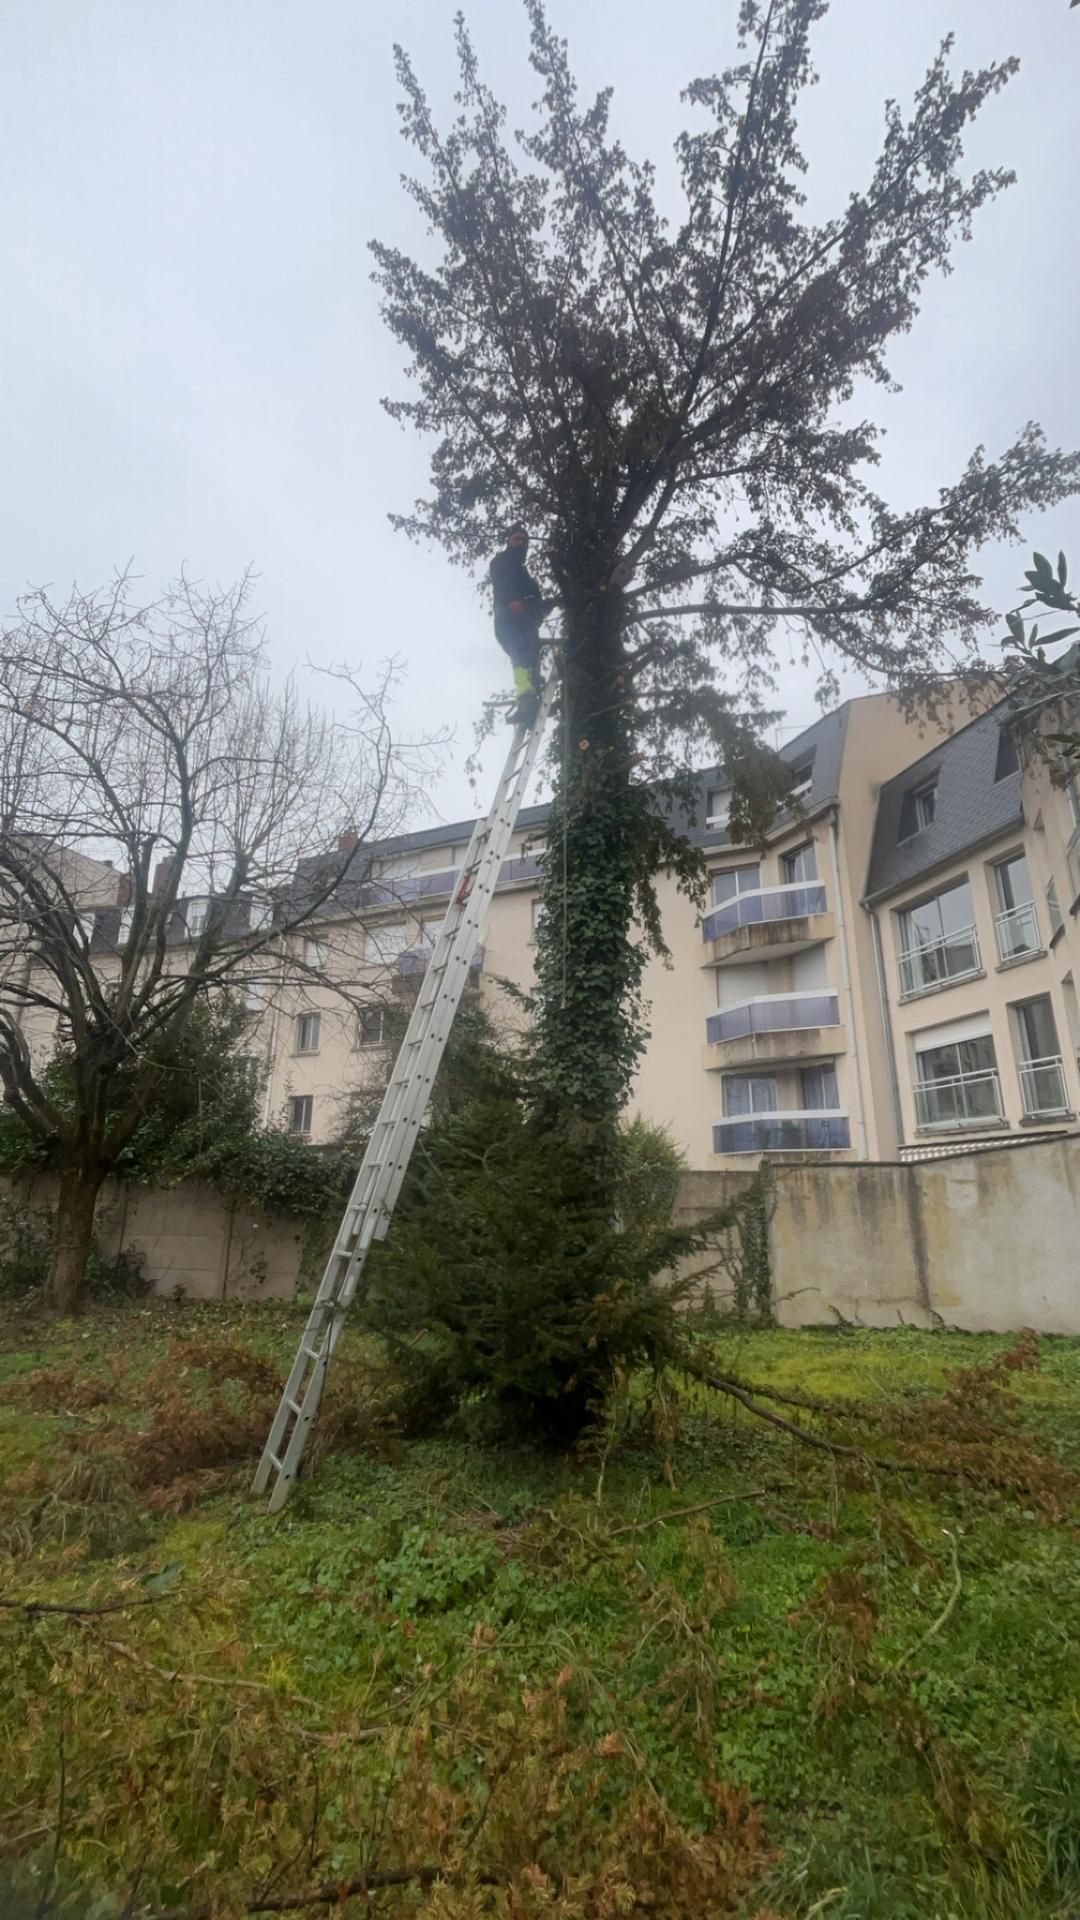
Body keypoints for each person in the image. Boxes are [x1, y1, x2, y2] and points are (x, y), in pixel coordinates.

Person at [490, 525, 549, 725]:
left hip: (520, 617)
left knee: (525, 653)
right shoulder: (503, 561)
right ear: (508, 541)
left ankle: (529, 694)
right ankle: (526, 697)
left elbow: (537, 599)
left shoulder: (522, 572)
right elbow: (502, 581)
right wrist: (512, 600)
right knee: (523, 650)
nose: (521, 543)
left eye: (525, 541)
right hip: (511, 614)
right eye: (517, 539)